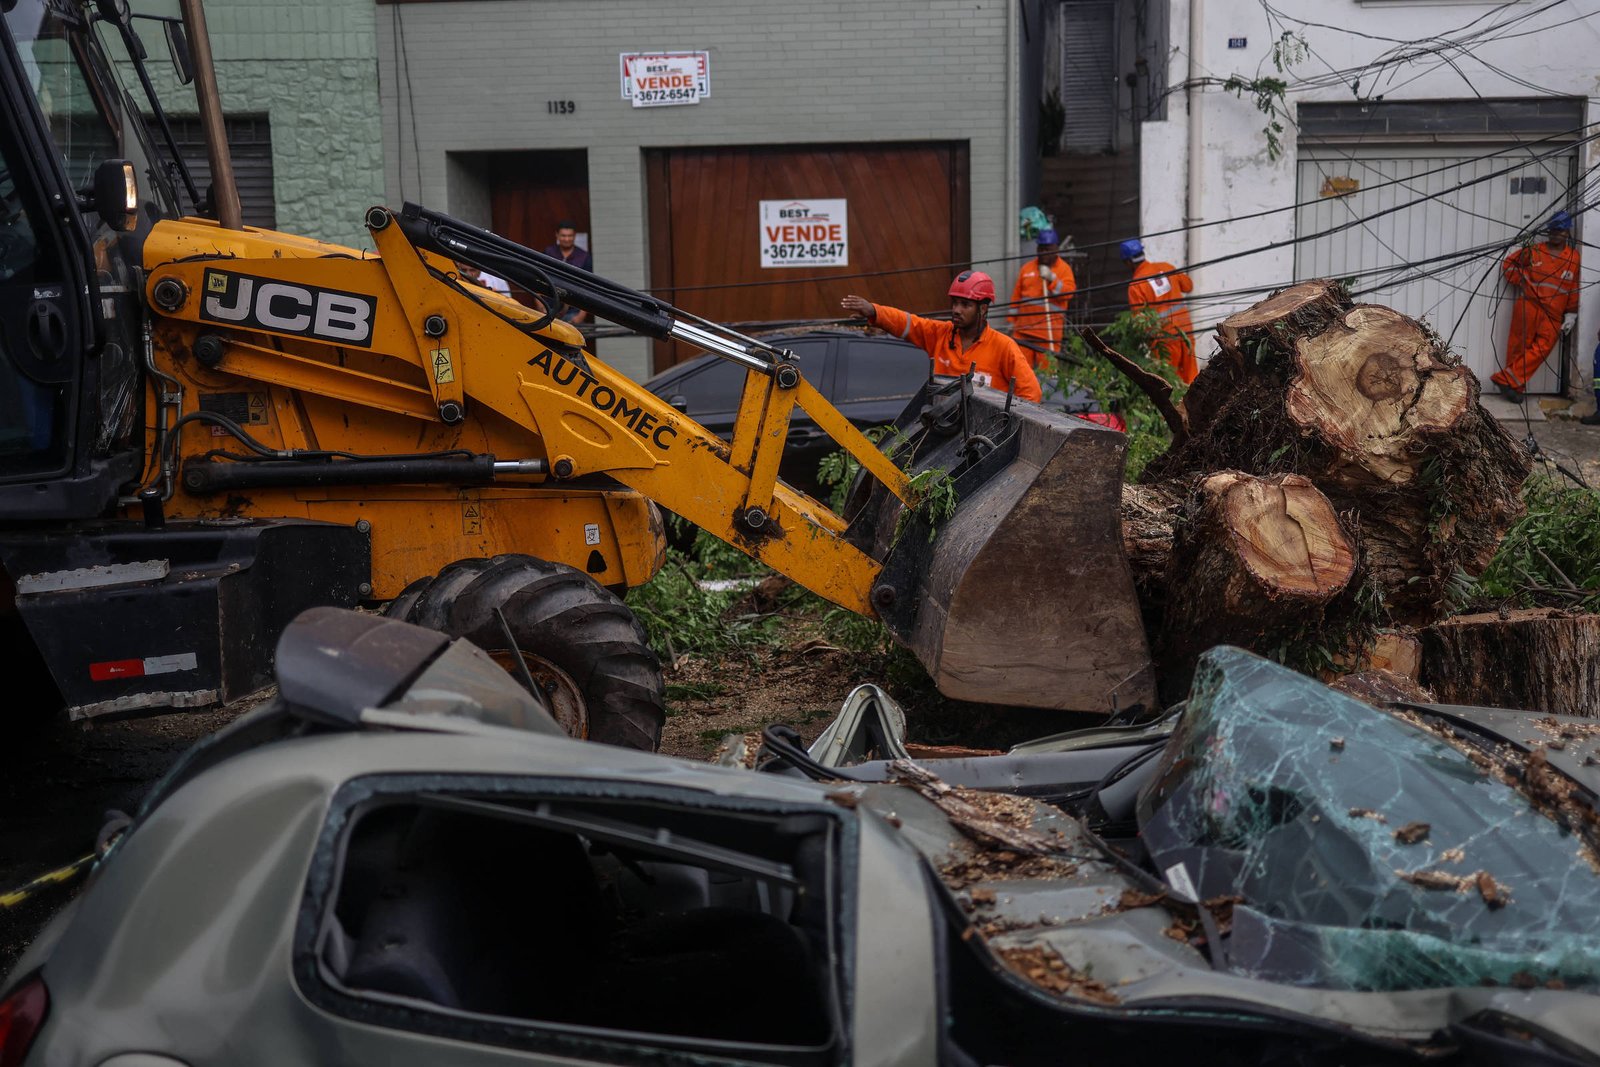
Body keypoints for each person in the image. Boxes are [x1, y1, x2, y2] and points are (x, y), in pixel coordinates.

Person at [840, 271, 1042, 402]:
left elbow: (1031, 394)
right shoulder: (940, 334)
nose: (956, 310)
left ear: (983, 309)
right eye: (954, 303)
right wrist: (874, 311)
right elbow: (907, 322)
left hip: (984, 438)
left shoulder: (1003, 347)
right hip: (944, 433)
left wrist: (1006, 426)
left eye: (965, 305)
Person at [1490, 211, 1580, 397]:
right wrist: (1521, 279)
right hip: (1528, 306)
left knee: (1542, 349)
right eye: (1553, 230)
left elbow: (1574, 287)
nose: (1556, 234)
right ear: (1548, 231)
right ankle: (1516, 389)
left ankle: (1504, 379)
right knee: (1518, 347)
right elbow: (1508, 264)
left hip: (1554, 314)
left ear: (1567, 232)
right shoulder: (1534, 251)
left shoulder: (1574, 258)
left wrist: (1571, 313)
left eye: (1560, 230)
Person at [1121, 238, 1198, 384]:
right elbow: (1188, 286)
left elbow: (1141, 324)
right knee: (1192, 378)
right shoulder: (1166, 267)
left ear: (1128, 262)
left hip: (1163, 338)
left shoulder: (1135, 286)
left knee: (1169, 382)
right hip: (1185, 330)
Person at [1008, 227, 1076, 369]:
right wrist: (1011, 323)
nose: (1043, 253)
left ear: (1056, 249)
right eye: (1041, 248)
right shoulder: (1027, 268)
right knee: (1020, 372)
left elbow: (1068, 293)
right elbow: (1016, 298)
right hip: (1023, 333)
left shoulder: (1064, 270)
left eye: (1048, 249)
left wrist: (1053, 279)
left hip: (1048, 335)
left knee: (1048, 378)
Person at [542, 219, 592, 326]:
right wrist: (541, 307)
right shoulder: (548, 253)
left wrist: (581, 315)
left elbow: (589, 287)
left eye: (570, 236)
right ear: (557, 235)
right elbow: (538, 278)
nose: (567, 239)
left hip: (574, 311)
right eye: (563, 236)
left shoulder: (584, 257)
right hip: (549, 308)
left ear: (575, 236)